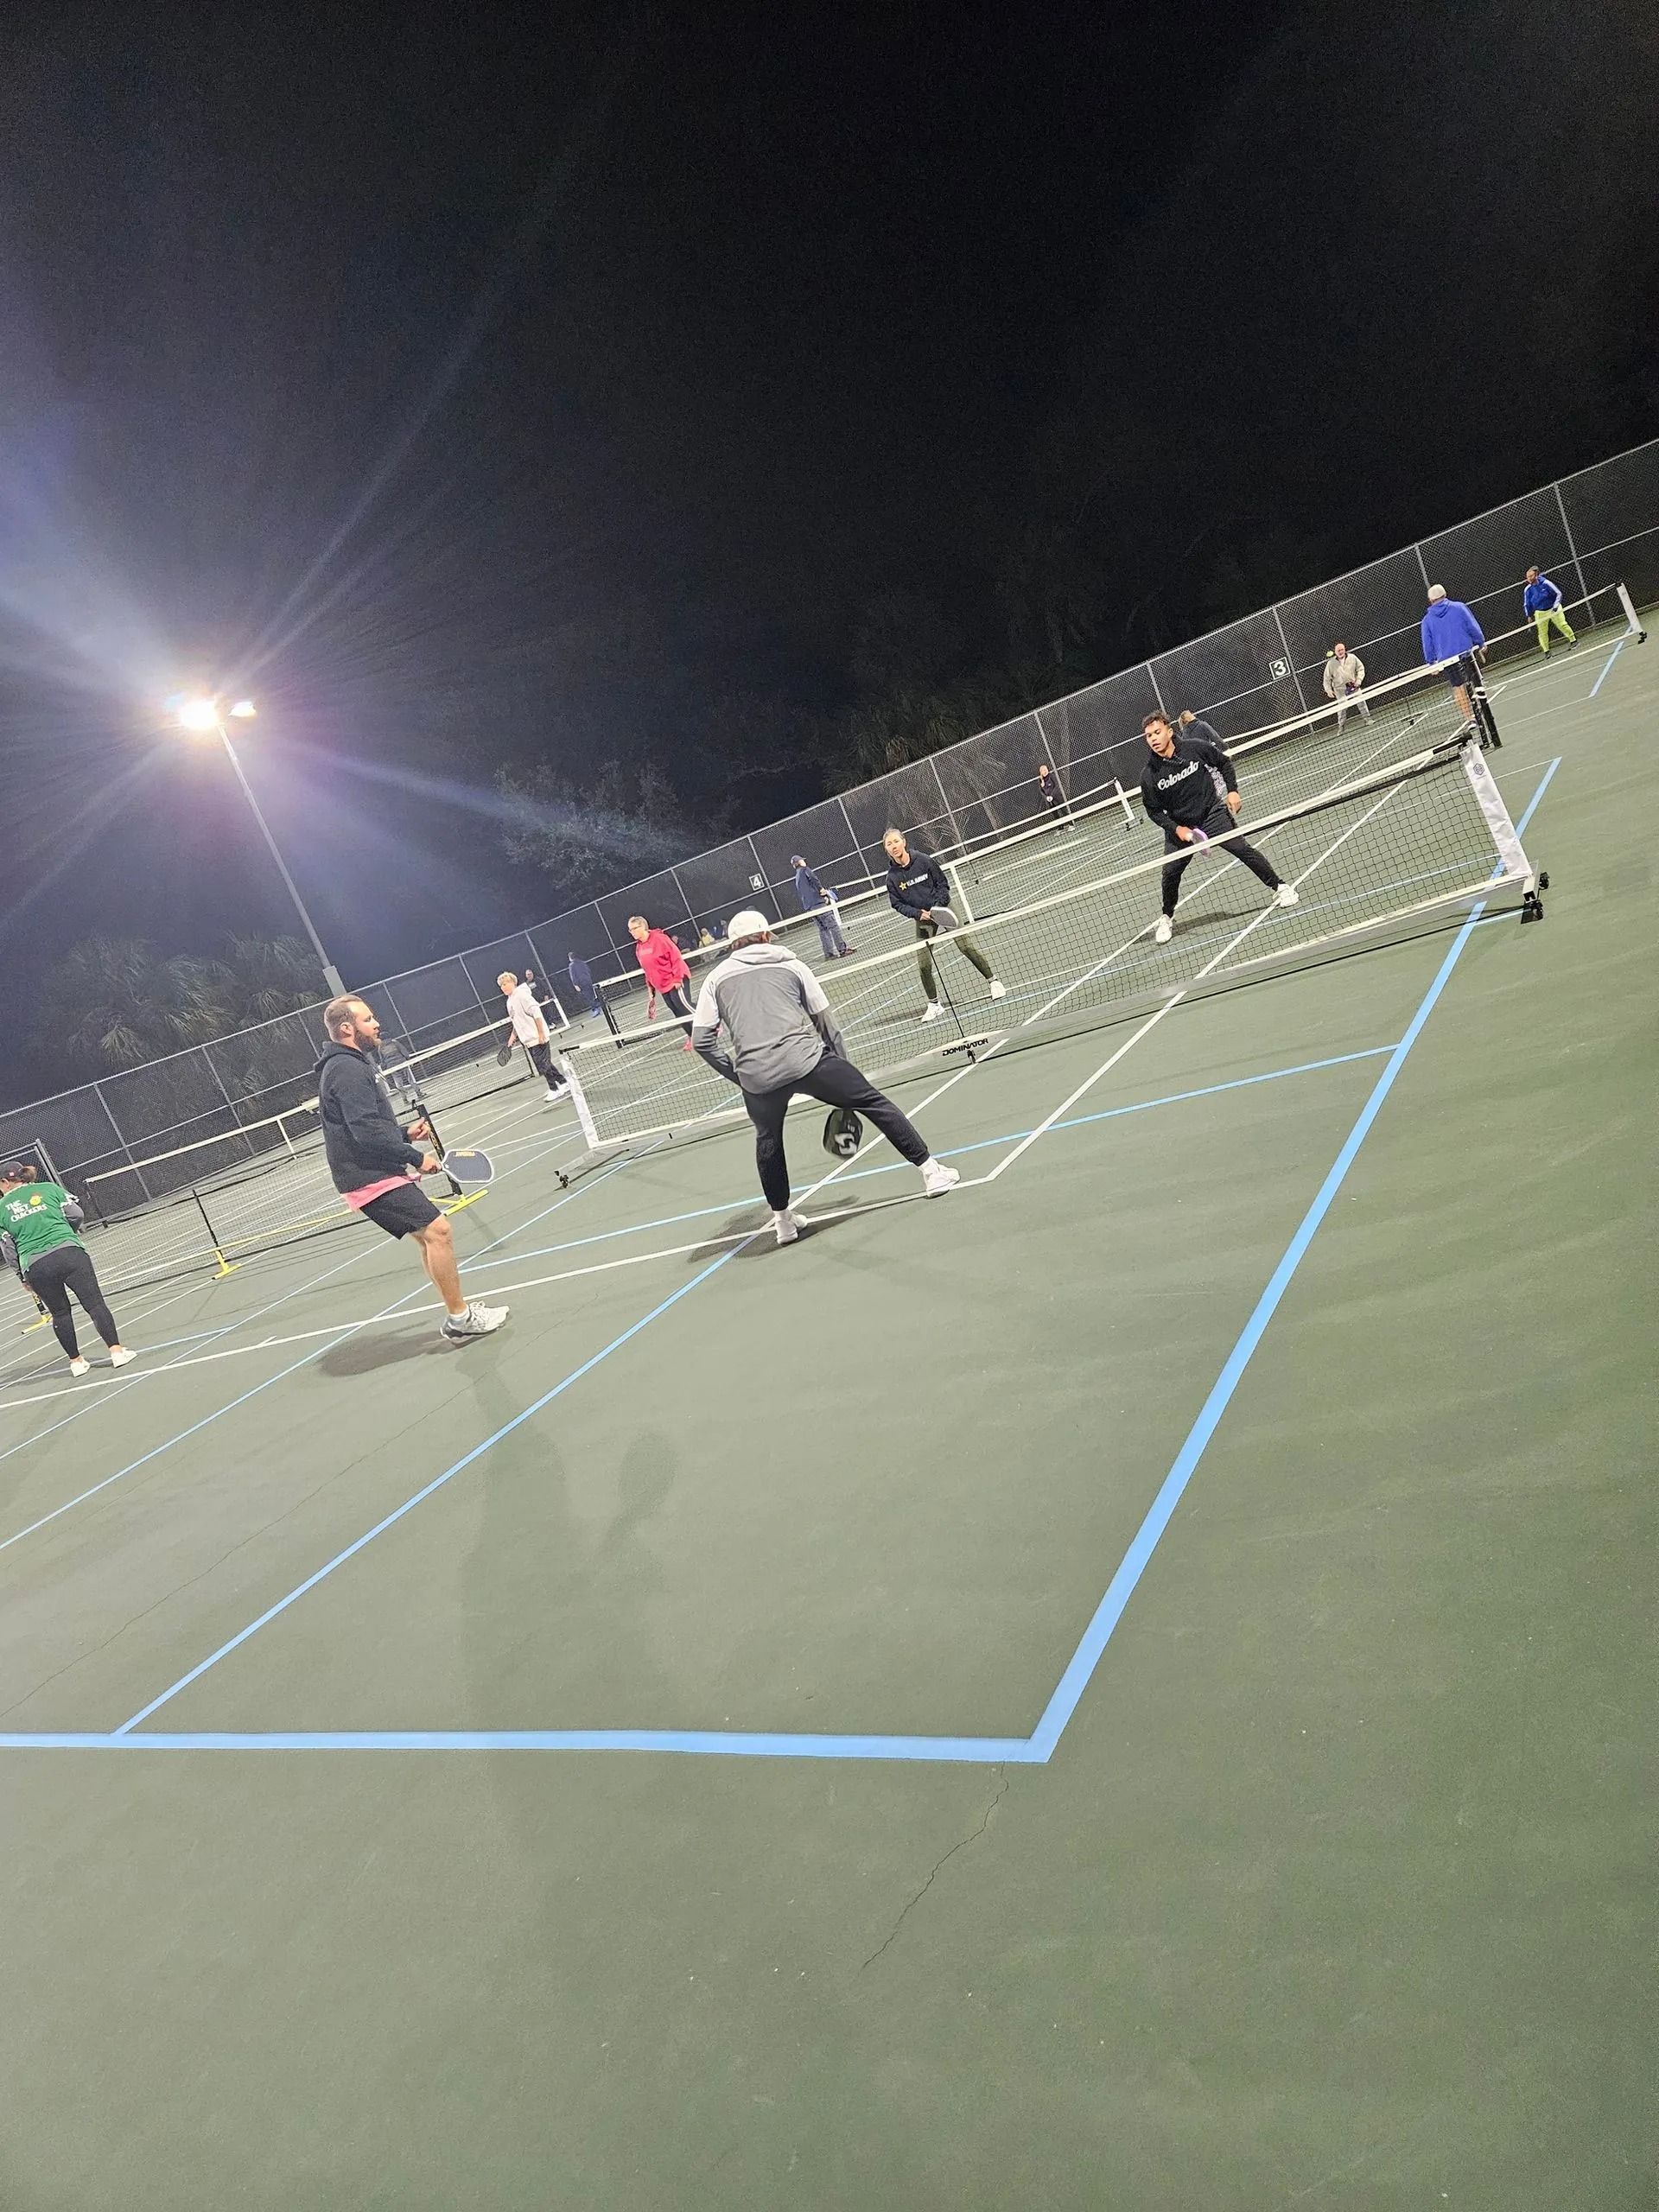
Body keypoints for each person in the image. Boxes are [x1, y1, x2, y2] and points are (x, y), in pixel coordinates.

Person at [691, 910, 960, 1244]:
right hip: (808, 1062)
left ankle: (784, 1224)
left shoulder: (714, 979)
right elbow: (826, 1024)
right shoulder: (793, 965)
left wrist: (741, 1076)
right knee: (875, 1103)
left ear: (733, 943)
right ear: (765, 935)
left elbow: (702, 1041)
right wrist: (846, 1077)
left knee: (768, 1140)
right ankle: (932, 1173)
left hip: (757, 1079)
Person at [315, 996, 508, 1340]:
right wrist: (416, 1156)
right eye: (368, 1019)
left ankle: (458, 1313)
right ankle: (460, 1320)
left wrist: (404, 1133)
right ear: (347, 1028)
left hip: (374, 1168)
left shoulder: (350, 1064)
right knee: (439, 1231)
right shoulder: (346, 1069)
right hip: (367, 1175)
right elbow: (364, 1131)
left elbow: (365, 1123)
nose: (376, 1024)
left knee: (428, 1235)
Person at [1139, 712, 1298, 944]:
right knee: (1170, 873)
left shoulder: (1195, 748)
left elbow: (1223, 763)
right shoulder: (1149, 775)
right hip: (1181, 827)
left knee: (1241, 848)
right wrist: (1177, 830)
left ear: (1170, 731)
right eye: (1148, 735)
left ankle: (1280, 886)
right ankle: (1166, 916)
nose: (1153, 738)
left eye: (1157, 732)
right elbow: (1153, 811)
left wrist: (1233, 790)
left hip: (1211, 814)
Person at [0, 1164, 135, 1376]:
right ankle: (116, 1352)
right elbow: (75, 1213)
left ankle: (76, 1362)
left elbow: (8, 1249)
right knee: (95, 1303)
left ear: (5, 1182)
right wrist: (65, 1234)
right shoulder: (48, 1188)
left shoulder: (1, 1207)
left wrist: (22, 1276)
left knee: (60, 1313)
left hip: (36, 1265)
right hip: (70, 1253)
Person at [881, 829, 1007, 1023]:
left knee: (965, 946)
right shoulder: (892, 877)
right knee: (923, 964)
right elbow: (897, 903)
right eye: (889, 844)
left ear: (904, 842)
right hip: (923, 918)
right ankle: (934, 1004)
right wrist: (918, 914)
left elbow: (942, 883)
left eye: (896, 841)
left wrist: (938, 907)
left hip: (944, 907)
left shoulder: (924, 860)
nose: (894, 846)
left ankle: (994, 982)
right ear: (886, 850)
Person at [1420, 583, 1488, 731]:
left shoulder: (1427, 620)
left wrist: (1432, 663)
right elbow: (1472, 626)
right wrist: (1481, 642)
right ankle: (1484, 710)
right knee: (1475, 681)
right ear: (1445, 595)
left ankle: (1470, 719)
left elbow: (1427, 643)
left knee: (1458, 689)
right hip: (1467, 654)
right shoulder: (1459, 607)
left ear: (1430, 600)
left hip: (1447, 660)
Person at [626, 914, 696, 1045]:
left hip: (676, 979)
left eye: (634, 928)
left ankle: (711, 1026)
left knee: (684, 1007)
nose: (632, 932)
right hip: (662, 986)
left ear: (643, 927)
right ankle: (692, 1036)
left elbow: (676, 957)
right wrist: (651, 989)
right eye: (630, 930)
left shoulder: (660, 939)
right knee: (677, 1011)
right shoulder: (639, 947)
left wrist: (677, 978)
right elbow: (647, 969)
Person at [497, 970, 564, 1103]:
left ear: (512, 983)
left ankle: (554, 1089)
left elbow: (536, 1012)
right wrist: (512, 1038)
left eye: (505, 984)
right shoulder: (509, 1001)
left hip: (538, 1036)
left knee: (542, 1065)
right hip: (527, 1040)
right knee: (545, 1064)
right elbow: (516, 1021)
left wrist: (541, 1034)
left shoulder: (521, 995)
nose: (503, 987)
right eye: (501, 985)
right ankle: (563, 1082)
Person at [791, 854, 850, 958]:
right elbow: (814, 879)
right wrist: (821, 890)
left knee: (823, 929)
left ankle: (829, 954)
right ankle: (842, 950)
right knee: (833, 925)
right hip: (818, 904)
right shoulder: (805, 870)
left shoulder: (797, 877)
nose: (805, 862)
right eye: (802, 860)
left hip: (809, 907)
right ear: (800, 862)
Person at [1522, 567, 1576, 655]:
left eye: (1531, 576)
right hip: (1540, 612)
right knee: (1542, 633)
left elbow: (1558, 593)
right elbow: (1527, 604)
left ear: (1536, 575)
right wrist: (1529, 615)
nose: (1529, 579)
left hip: (1553, 608)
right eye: (1527, 577)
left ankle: (1573, 640)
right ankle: (1546, 652)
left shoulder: (1546, 583)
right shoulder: (1527, 589)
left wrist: (1555, 607)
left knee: (1562, 625)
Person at [1321, 642, 1370, 728]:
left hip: (1354, 686)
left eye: (1342, 650)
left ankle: (1367, 719)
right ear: (1335, 652)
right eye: (1338, 650)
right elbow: (1326, 679)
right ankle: (1341, 726)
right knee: (1342, 708)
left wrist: (1358, 681)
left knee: (1361, 702)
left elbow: (1361, 668)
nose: (1340, 652)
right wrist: (1328, 690)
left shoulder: (1352, 657)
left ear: (1345, 650)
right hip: (1340, 690)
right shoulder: (1331, 664)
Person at [566, 950, 601, 1019]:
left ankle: (595, 1009)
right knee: (591, 995)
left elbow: (573, 976)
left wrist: (575, 984)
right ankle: (596, 1007)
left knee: (588, 997)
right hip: (588, 981)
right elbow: (588, 970)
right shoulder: (582, 963)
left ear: (570, 958)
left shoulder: (572, 965)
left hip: (581, 983)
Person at [1036, 762, 1069, 826]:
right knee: (1055, 814)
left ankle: (1070, 824)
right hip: (1049, 801)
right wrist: (1046, 797)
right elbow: (1041, 791)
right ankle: (1060, 827)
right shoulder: (1040, 780)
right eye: (1043, 770)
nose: (1045, 771)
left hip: (1057, 798)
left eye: (1046, 769)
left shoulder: (1052, 776)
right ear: (1041, 772)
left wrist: (1052, 796)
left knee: (1064, 811)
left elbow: (1057, 786)